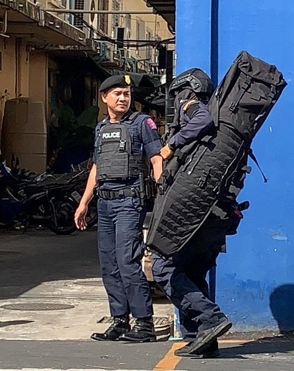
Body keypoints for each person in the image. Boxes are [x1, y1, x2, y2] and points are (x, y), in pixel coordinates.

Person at [74, 74, 163, 342]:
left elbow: (156, 159)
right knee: (109, 265)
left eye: (126, 94)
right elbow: (97, 167)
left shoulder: (141, 124)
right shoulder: (101, 129)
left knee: (127, 262)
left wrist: (163, 192)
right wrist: (83, 203)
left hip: (129, 202)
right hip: (105, 203)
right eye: (117, 94)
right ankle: (120, 321)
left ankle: (144, 324)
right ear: (104, 98)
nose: (123, 98)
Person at [150, 68, 233, 358]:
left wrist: (170, 146)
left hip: (194, 209)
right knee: (192, 271)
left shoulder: (191, 104)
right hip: (215, 212)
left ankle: (210, 319)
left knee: (163, 269)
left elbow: (202, 119)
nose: (176, 101)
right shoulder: (222, 121)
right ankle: (201, 340)